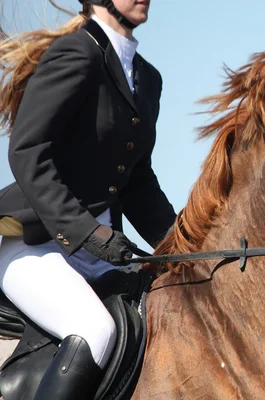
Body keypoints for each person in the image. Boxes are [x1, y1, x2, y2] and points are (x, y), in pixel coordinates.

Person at [0, 0, 176, 398]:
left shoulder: (148, 78)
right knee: (95, 329)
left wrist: (187, 245)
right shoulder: (77, 51)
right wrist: (86, 232)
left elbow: (138, 182)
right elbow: (26, 151)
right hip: (33, 244)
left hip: (98, 251)